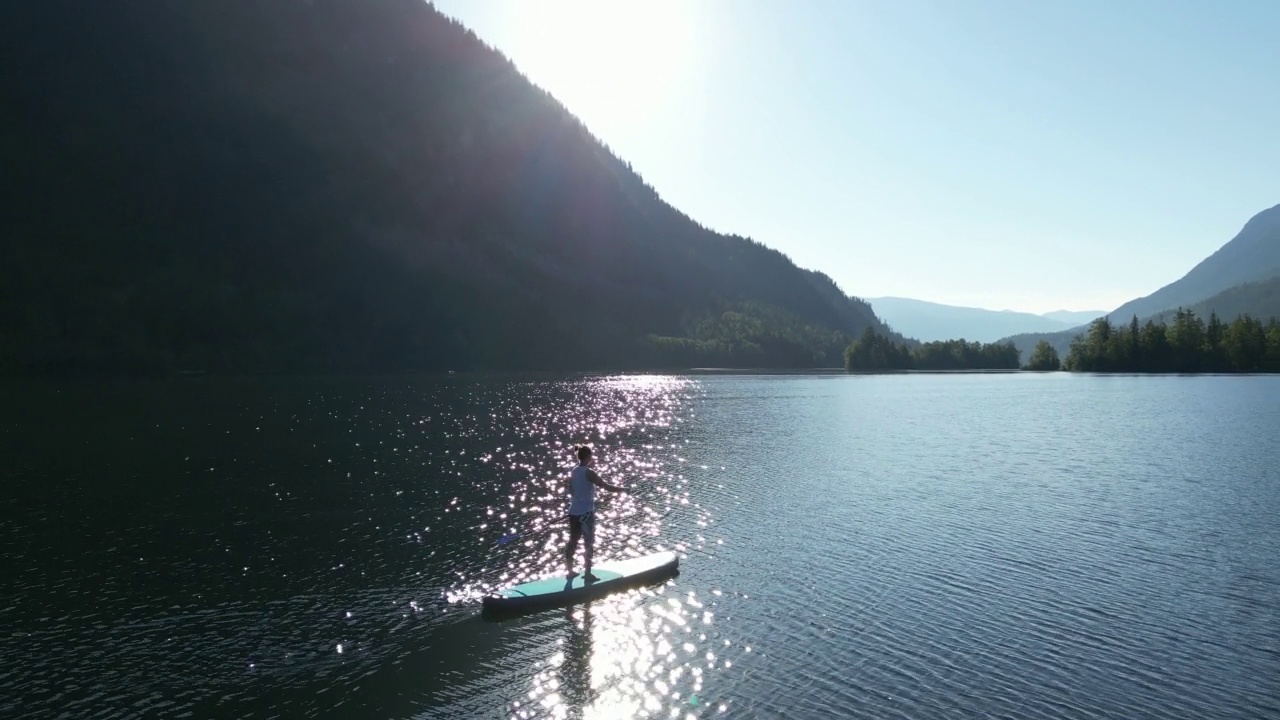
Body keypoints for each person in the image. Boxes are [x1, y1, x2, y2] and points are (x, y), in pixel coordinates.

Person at [565, 445, 626, 582]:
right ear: (588, 457)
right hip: (586, 514)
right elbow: (606, 486)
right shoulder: (589, 472)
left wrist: (578, 498)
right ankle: (587, 575)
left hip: (573, 512)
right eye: (591, 456)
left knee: (572, 542)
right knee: (588, 543)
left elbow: (569, 488)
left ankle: (570, 572)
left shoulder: (574, 471)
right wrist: (622, 490)